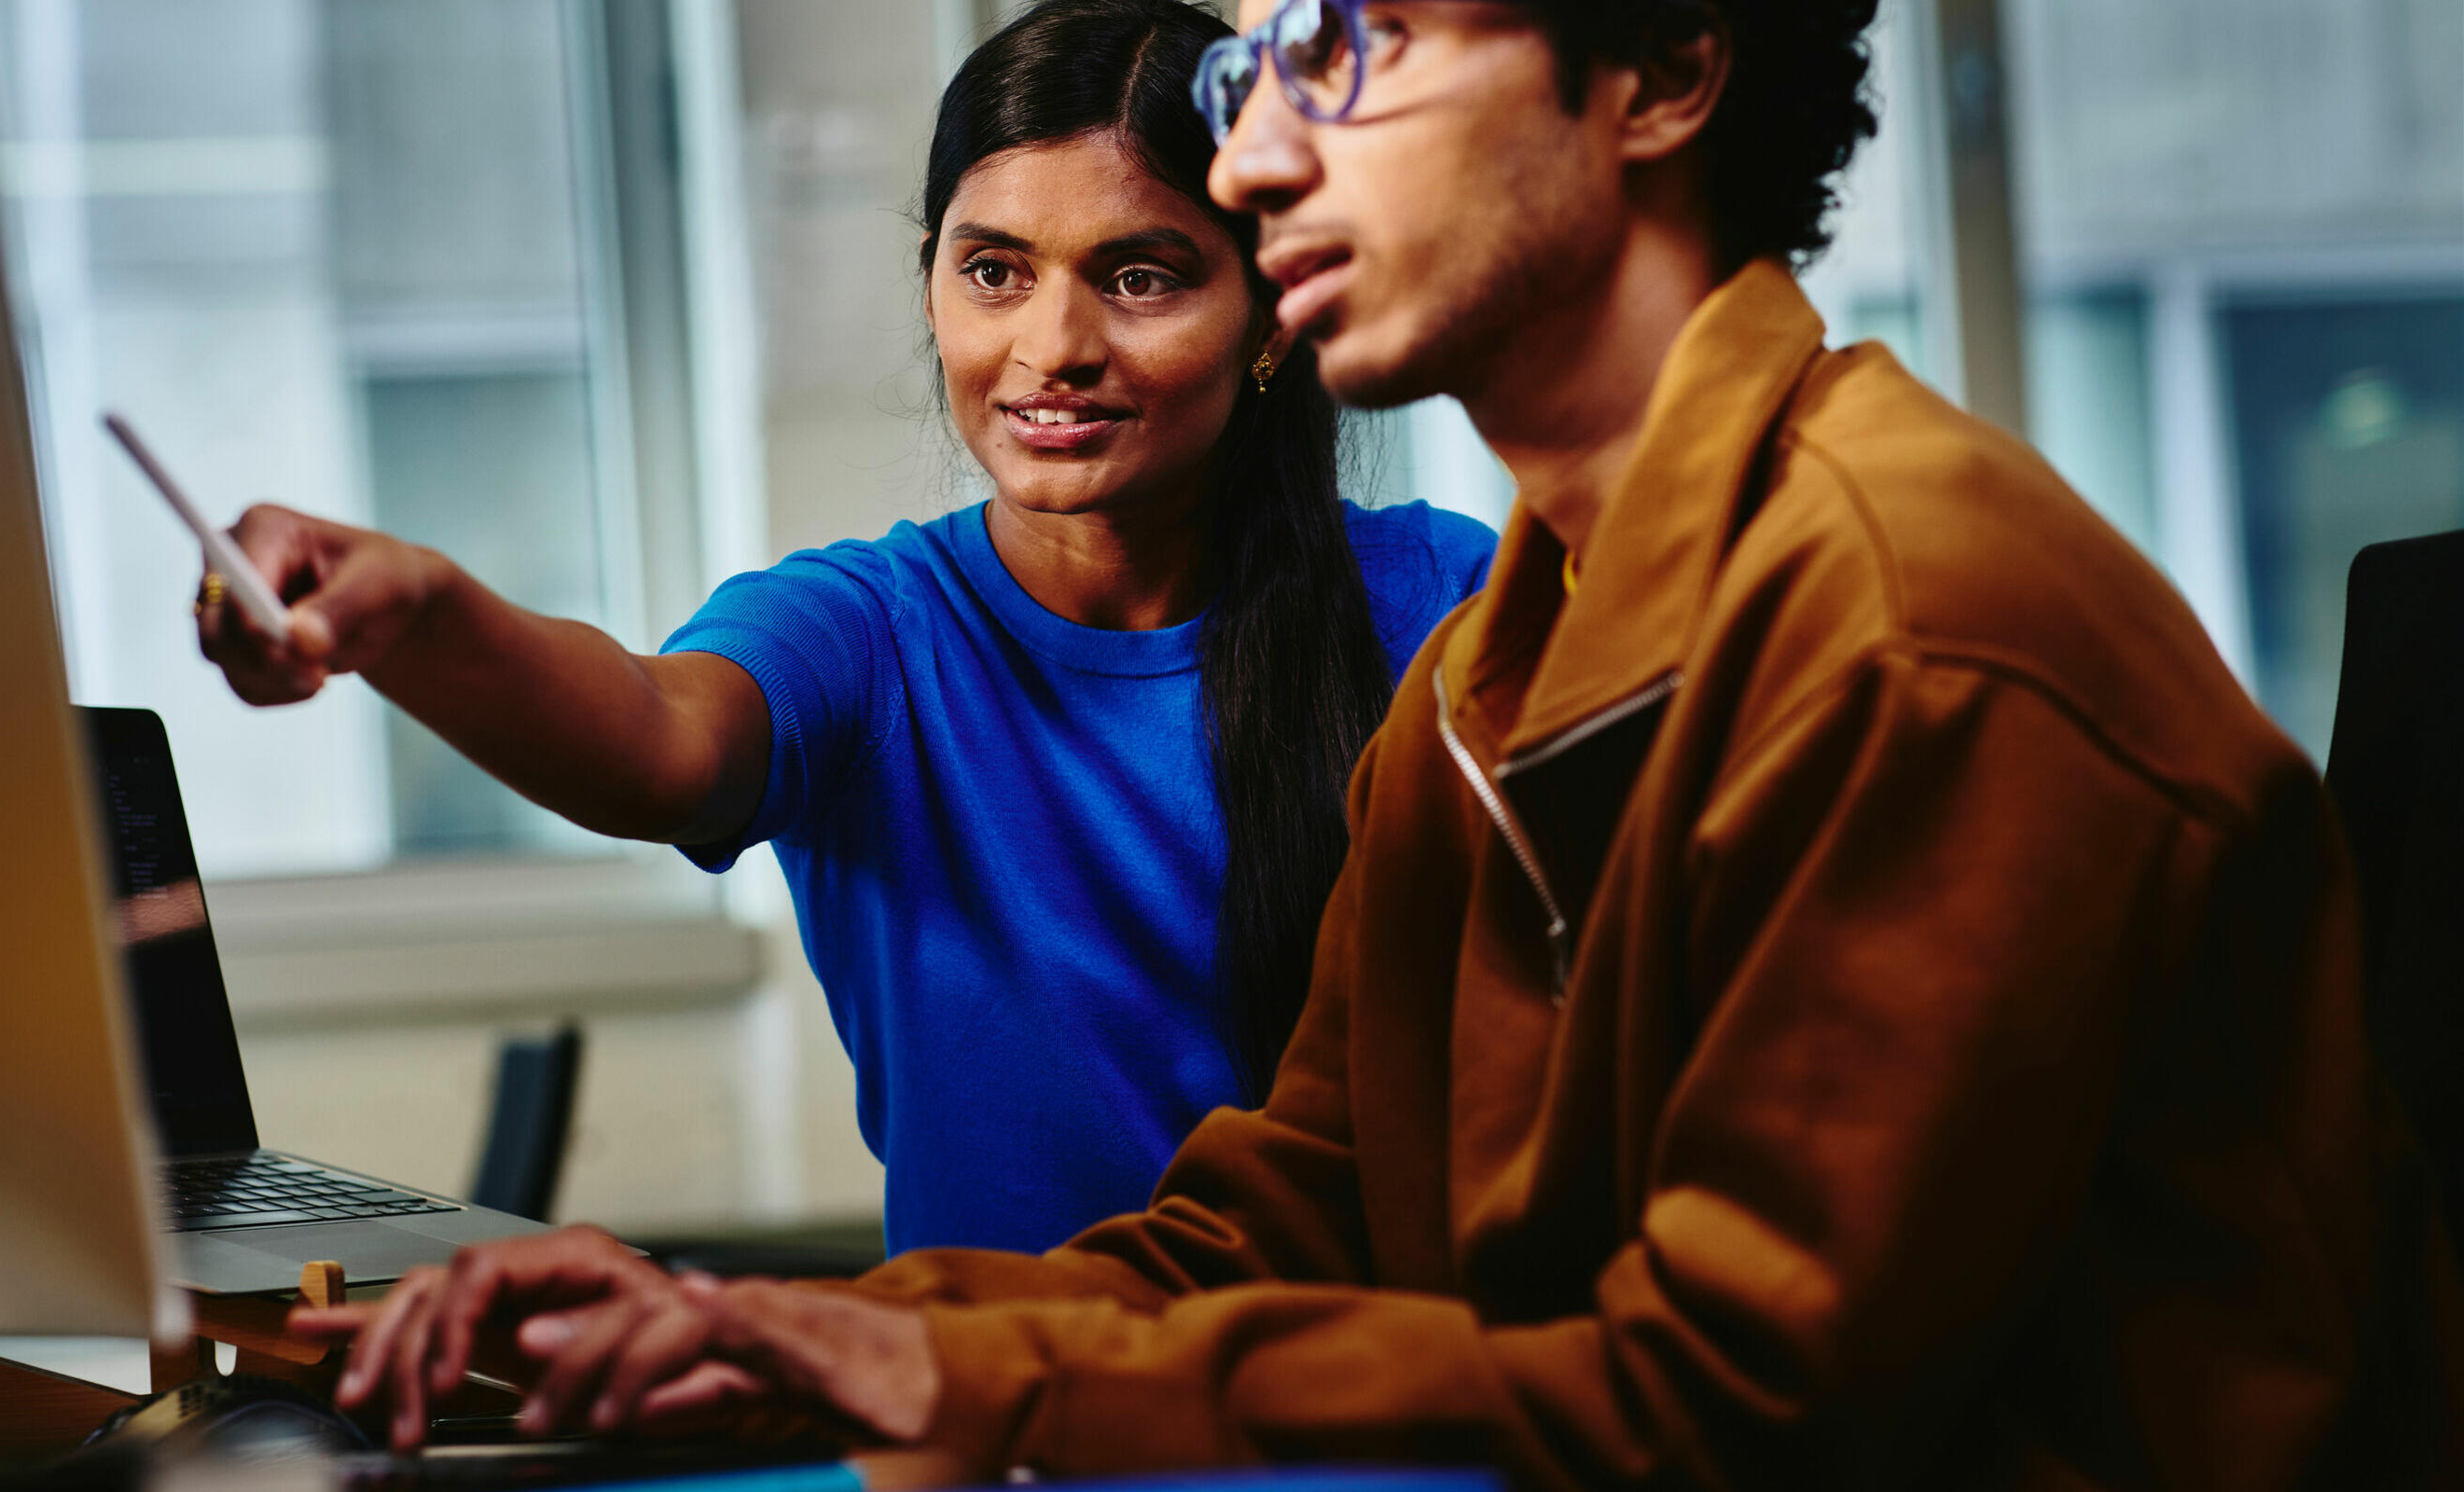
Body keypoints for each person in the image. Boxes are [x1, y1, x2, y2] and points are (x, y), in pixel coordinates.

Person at [296, 0, 2464, 1481]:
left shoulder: (1908, 623)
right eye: (1272, 59)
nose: (1257, 142)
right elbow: (1299, 1202)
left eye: (1366, 45)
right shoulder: (1521, 642)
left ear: (1660, 72)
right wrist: (837, 1332)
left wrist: (966, 1372)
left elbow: (1739, 1414)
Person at [198, 0, 1495, 1264]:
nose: (1053, 346)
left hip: (1369, 1418)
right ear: (932, 292)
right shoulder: (867, 634)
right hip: (981, 1436)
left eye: (1139, 276)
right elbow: (656, 739)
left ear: (1270, 311)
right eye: (995, 271)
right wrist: (420, 612)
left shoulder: (1444, 600)